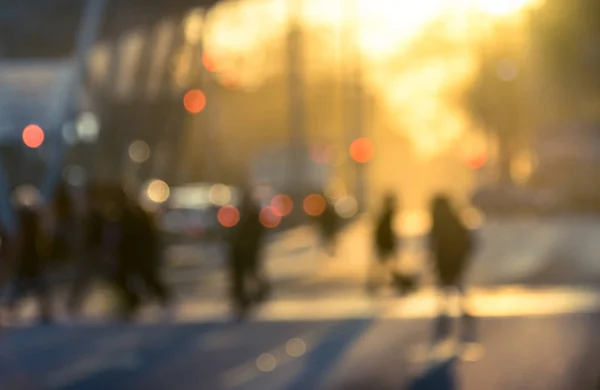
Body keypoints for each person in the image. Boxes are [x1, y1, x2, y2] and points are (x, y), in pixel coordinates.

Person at [114, 190, 171, 320]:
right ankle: (134, 302)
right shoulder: (128, 214)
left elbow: (144, 236)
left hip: (138, 253)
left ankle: (161, 299)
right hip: (130, 254)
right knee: (126, 278)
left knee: (147, 278)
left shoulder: (134, 214)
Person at [429, 195, 474, 342]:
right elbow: (468, 241)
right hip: (454, 262)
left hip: (446, 262)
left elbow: (436, 246)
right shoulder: (454, 220)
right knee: (456, 288)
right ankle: (460, 314)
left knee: (448, 289)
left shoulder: (440, 222)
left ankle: (447, 316)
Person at [6, 206, 52, 324]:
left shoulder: (25, 231)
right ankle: (44, 313)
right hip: (30, 264)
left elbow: (19, 249)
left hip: (30, 264)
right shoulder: (29, 230)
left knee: (31, 290)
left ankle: (45, 312)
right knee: (33, 290)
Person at [228, 188, 269, 321]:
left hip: (248, 250)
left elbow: (258, 232)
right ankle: (243, 299)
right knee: (242, 276)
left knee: (250, 274)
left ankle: (255, 294)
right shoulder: (238, 213)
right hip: (239, 250)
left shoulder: (251, 214)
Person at [67, 183, 107, 316]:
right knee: (84, 278)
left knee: (87, 278)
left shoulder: (95, 215)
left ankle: (76, 303)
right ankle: (74, 303)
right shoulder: (91, 215)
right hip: (92, 251)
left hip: (94, 251)